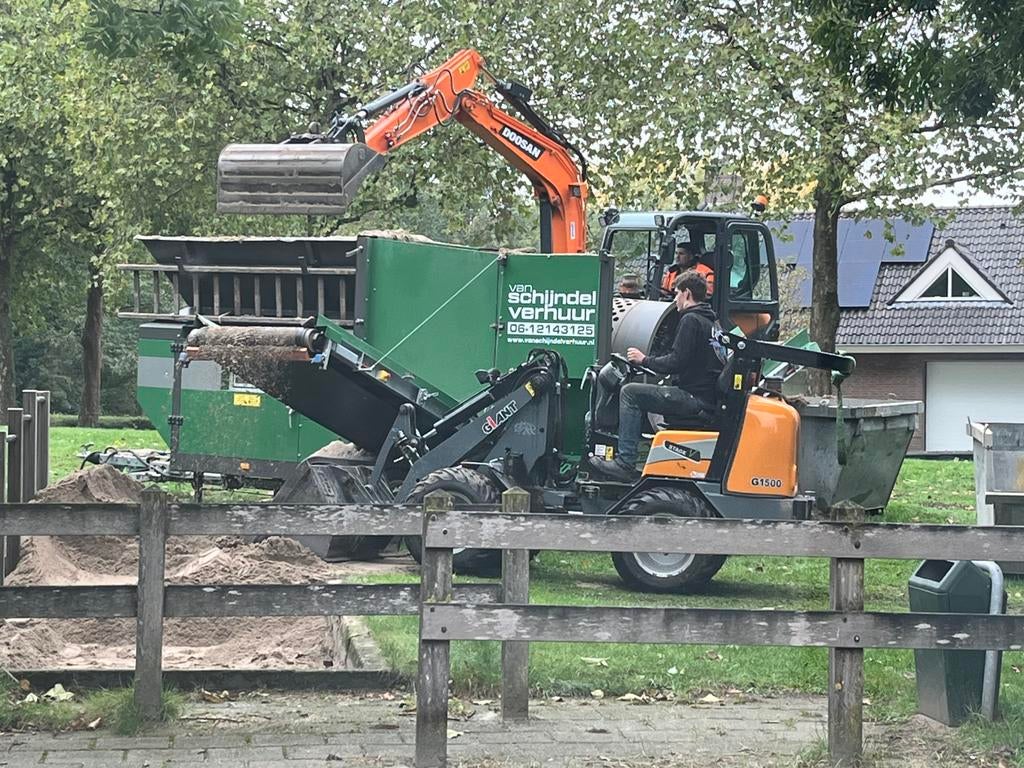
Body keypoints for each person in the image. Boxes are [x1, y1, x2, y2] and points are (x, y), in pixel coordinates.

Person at [592, 269, 724, 482]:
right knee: (648, 396)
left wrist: (644, 360)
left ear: (687, 294)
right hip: (705, 397)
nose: (675, 300)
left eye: (676, 294)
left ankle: (625, 462)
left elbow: (676, 361)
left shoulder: (691, 320)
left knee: (630, 393)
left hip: (693, 398)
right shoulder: (712, 324)